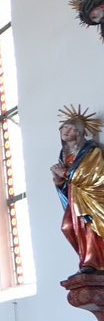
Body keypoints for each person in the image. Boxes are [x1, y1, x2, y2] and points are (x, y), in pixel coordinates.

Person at [51, 106, 104, 274]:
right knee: (68, 227)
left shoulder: (91, 150)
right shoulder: (64, 153)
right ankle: (85, 259)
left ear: (79, 134)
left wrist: (65, 173)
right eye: (66, 127)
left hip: (90, 197)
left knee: (88, 225)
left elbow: (93, 174)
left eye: (73, 129)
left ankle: (93, 262)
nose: (67, 131)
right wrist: (59, 180)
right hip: (75, 197)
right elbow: (67, 183)